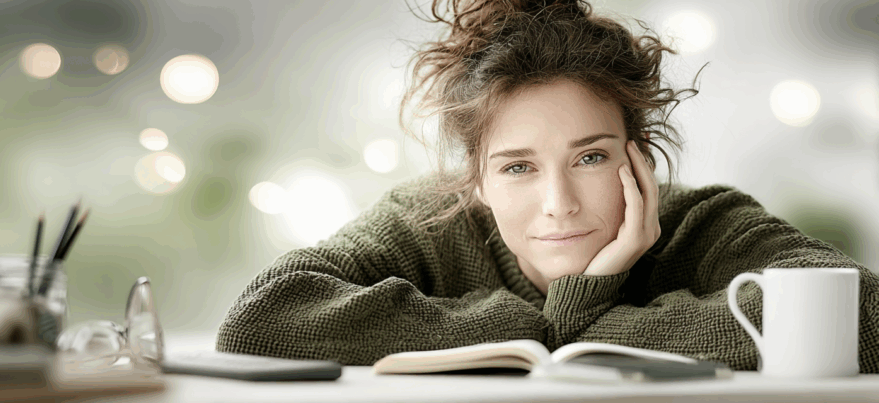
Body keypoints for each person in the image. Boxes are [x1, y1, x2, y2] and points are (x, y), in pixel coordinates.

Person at [215, 0, 879, 371]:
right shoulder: (426, 220)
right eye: (518, 166)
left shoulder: (703, 223)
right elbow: (263, 318)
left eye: (590, 158)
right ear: (473, 179)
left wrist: (591, 320)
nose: (558, 202)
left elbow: (869, 316)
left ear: (639, 156)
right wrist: (539, 326)